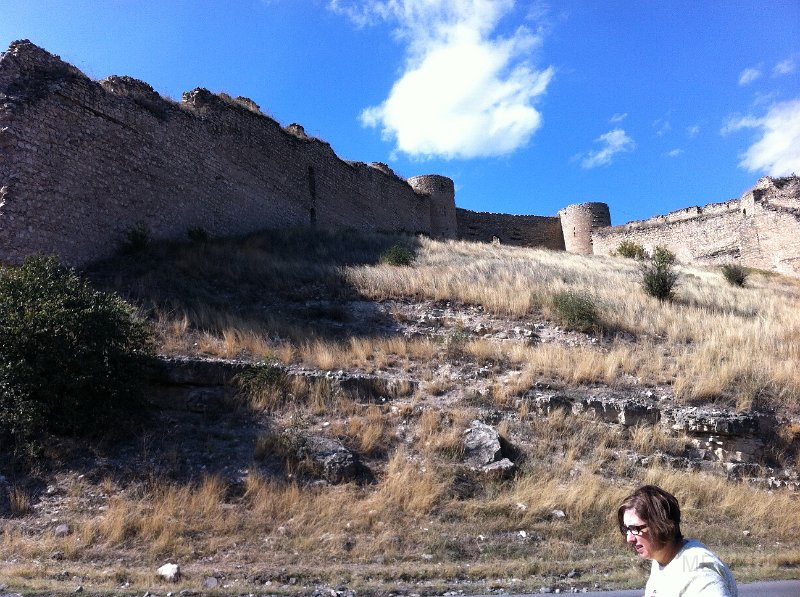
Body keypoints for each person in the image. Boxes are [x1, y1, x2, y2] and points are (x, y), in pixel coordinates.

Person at [618, 485, 737, 596]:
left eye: (635, 529)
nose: (629, 538)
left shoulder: (698, 571)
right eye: (627, 529)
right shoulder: (662, 558)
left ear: (660, 525)